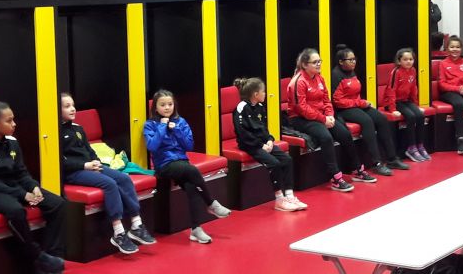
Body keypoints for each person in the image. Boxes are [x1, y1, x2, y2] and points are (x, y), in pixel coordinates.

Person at [0, 90, 66, 274]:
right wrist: (23, 194)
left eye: (13, 119)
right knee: (16, 211)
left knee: (57, 203)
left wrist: (33, 187)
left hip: (15, 187)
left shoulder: (12, 142)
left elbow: (21, 172)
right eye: (9, 121)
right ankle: (37, 256)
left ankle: (52, 256)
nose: (14, 124)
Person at [60, 93, 155, 254]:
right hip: (74, 172)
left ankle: (136, 224)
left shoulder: (78, 128)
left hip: (92, 167)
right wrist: (85, 165)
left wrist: (96, 162)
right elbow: (61, 162)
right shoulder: (55, 133)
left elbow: (89, 150)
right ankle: (118, 232)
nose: (73, 109)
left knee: (124, 178)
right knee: (110, 184)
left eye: (73, 105)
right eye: (67, 106)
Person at [144, 89, 231, 243]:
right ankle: (211, 203)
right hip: (164, 165)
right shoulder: (150, 125)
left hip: (181, 162)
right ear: (155, 108)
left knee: (192, 186)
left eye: (170, 104)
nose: (167, 107)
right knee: (192, 170)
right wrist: (162, 128)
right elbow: (152, 146)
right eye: (162, 105)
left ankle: (196, 229)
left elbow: (189, 146)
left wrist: (176, 130)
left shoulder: (180, 122)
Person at [286, 48, 376, 193]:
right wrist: (323, 119)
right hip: (301, 119)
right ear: (304, 65)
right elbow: (301, 108)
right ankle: (336, 177)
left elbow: (326, 100)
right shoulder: (298, 82)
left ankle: (357, 169)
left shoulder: (320, 78)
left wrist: (330, 115)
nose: (319, 64)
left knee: (345, 133)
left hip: (321, 116)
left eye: (319, 61)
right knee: (326, 137)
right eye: (315, 62)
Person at [331, 45, 410, 175]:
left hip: (356, 104)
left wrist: (360, 103)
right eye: (350, 60)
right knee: (367, 121)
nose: (353, 62)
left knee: (381, 119)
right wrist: (360, 103)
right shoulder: (336, 75)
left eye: (354, 59)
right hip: (344, 109)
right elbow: (338, 101)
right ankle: (376, 163)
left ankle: (392, 159)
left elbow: (354, 93)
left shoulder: (352, 72)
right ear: (341, 62)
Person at [232, 77, 307, 212]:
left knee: (287, 159)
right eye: (263, 91)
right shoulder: (241, 107)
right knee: (274, 163)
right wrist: (260, 145)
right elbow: (242, 133)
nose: (265, 94)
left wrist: (270, 140)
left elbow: (264, 128)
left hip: (264, 143)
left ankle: (289, 196)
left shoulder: (260, 107)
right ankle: (279, 200)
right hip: (250, 144)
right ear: (256, 94)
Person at [382, 47, 430, 162]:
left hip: (405, 100)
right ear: (399, 61)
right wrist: (392, 109)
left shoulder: (413, 70)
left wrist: (416, 105)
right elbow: (391, 90)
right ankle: (411, 148)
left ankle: (420, 145)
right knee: (411, 116)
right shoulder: (396, 72)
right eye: (405, 59)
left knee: (420, 115)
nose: (409, 61)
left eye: (411, 59)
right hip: (393, 102)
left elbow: (413, 89)